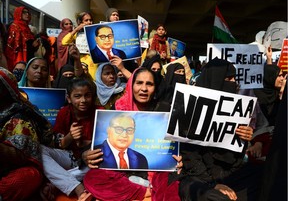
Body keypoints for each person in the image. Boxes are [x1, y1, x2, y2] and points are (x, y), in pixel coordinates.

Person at [83, 67, 182, 201]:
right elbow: (97, 150)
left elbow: (174, 147)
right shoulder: (118, 108)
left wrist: (178, 159)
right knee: (92, 178)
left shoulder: (164, 110)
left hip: (156, 171)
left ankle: (147, 189)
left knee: (172, 186)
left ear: (155, 87)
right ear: (131, 85)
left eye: (149, 84)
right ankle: (144, 191)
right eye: (139, 83)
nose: (144, 89)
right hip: (120, 173)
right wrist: (86, 155)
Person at [177, 58, 259, 201]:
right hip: (197, 177)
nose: (234, 82)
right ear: (216, 79)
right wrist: (213, 184)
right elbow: (190, 158)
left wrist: (244, 139)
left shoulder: (237, 109)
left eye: (235, 78)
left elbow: (235, 160)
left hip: (229, 173)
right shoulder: (191, 109)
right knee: (214, 197)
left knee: (263, 175)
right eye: (228, 78)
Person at [0, 67, 53, 201]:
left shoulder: (20, 117)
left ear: (5, 91)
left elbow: (22, 157)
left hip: (14, 168)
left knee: (25, 178)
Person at [40, 78, 96, 201]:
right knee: (39, 150)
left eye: (87, 96)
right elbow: (60, 145)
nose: (83, 100)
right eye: (77, 96)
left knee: (98, 166)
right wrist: (70, 136)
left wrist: (87, 145)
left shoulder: (99, 112)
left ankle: (56, 184)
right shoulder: (64, 113)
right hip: (70, 157)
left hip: (91, 160)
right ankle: (78, 188)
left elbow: (106, 144)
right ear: (69, 98)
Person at [62, 12, 97, 80]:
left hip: (93, 63)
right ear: (80, 22)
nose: (89, 22)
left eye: (90, 20)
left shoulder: (95, 34)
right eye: (86, 20)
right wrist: (76, 29)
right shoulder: (77, 34)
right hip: (80, 63)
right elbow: (64, 42)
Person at [5, 6, 40, 71]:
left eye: (28, 13)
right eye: (24, 12)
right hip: (18, 60)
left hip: (29, 58)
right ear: (19, 13)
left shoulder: (27, 28)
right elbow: (13, 47)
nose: (27, 14)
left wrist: (35, 45)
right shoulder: (15, 27)